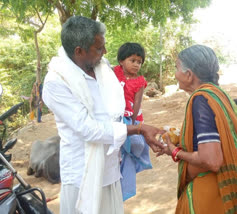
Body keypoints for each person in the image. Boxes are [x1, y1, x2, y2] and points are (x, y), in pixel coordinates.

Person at [42, 16, 164, 214]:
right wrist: (139, 129)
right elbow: (88, 129)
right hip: (82, 175)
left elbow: (114, 115)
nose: (105, 52)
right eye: (99, 48)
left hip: (110, 169)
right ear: (79, 51)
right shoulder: (56, 82)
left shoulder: (102, 69)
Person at [158, 45, 237, 213]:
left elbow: (212, 160)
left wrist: (175, 152)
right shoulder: (221, 96)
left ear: (189, 75)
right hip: (228, 191)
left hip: (211, 195)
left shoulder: (201, 99)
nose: (175, 74)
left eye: (176, 68)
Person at [113, 42, 151, 201]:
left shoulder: (140, 81)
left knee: (137, 144)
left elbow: (137, 103)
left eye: (139, 62)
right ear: (121, 61)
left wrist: (134, 124)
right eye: (132, 60)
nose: (136, 64)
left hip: (129, 117)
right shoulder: (114, 72)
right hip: (114, 115)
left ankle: (131, 163)